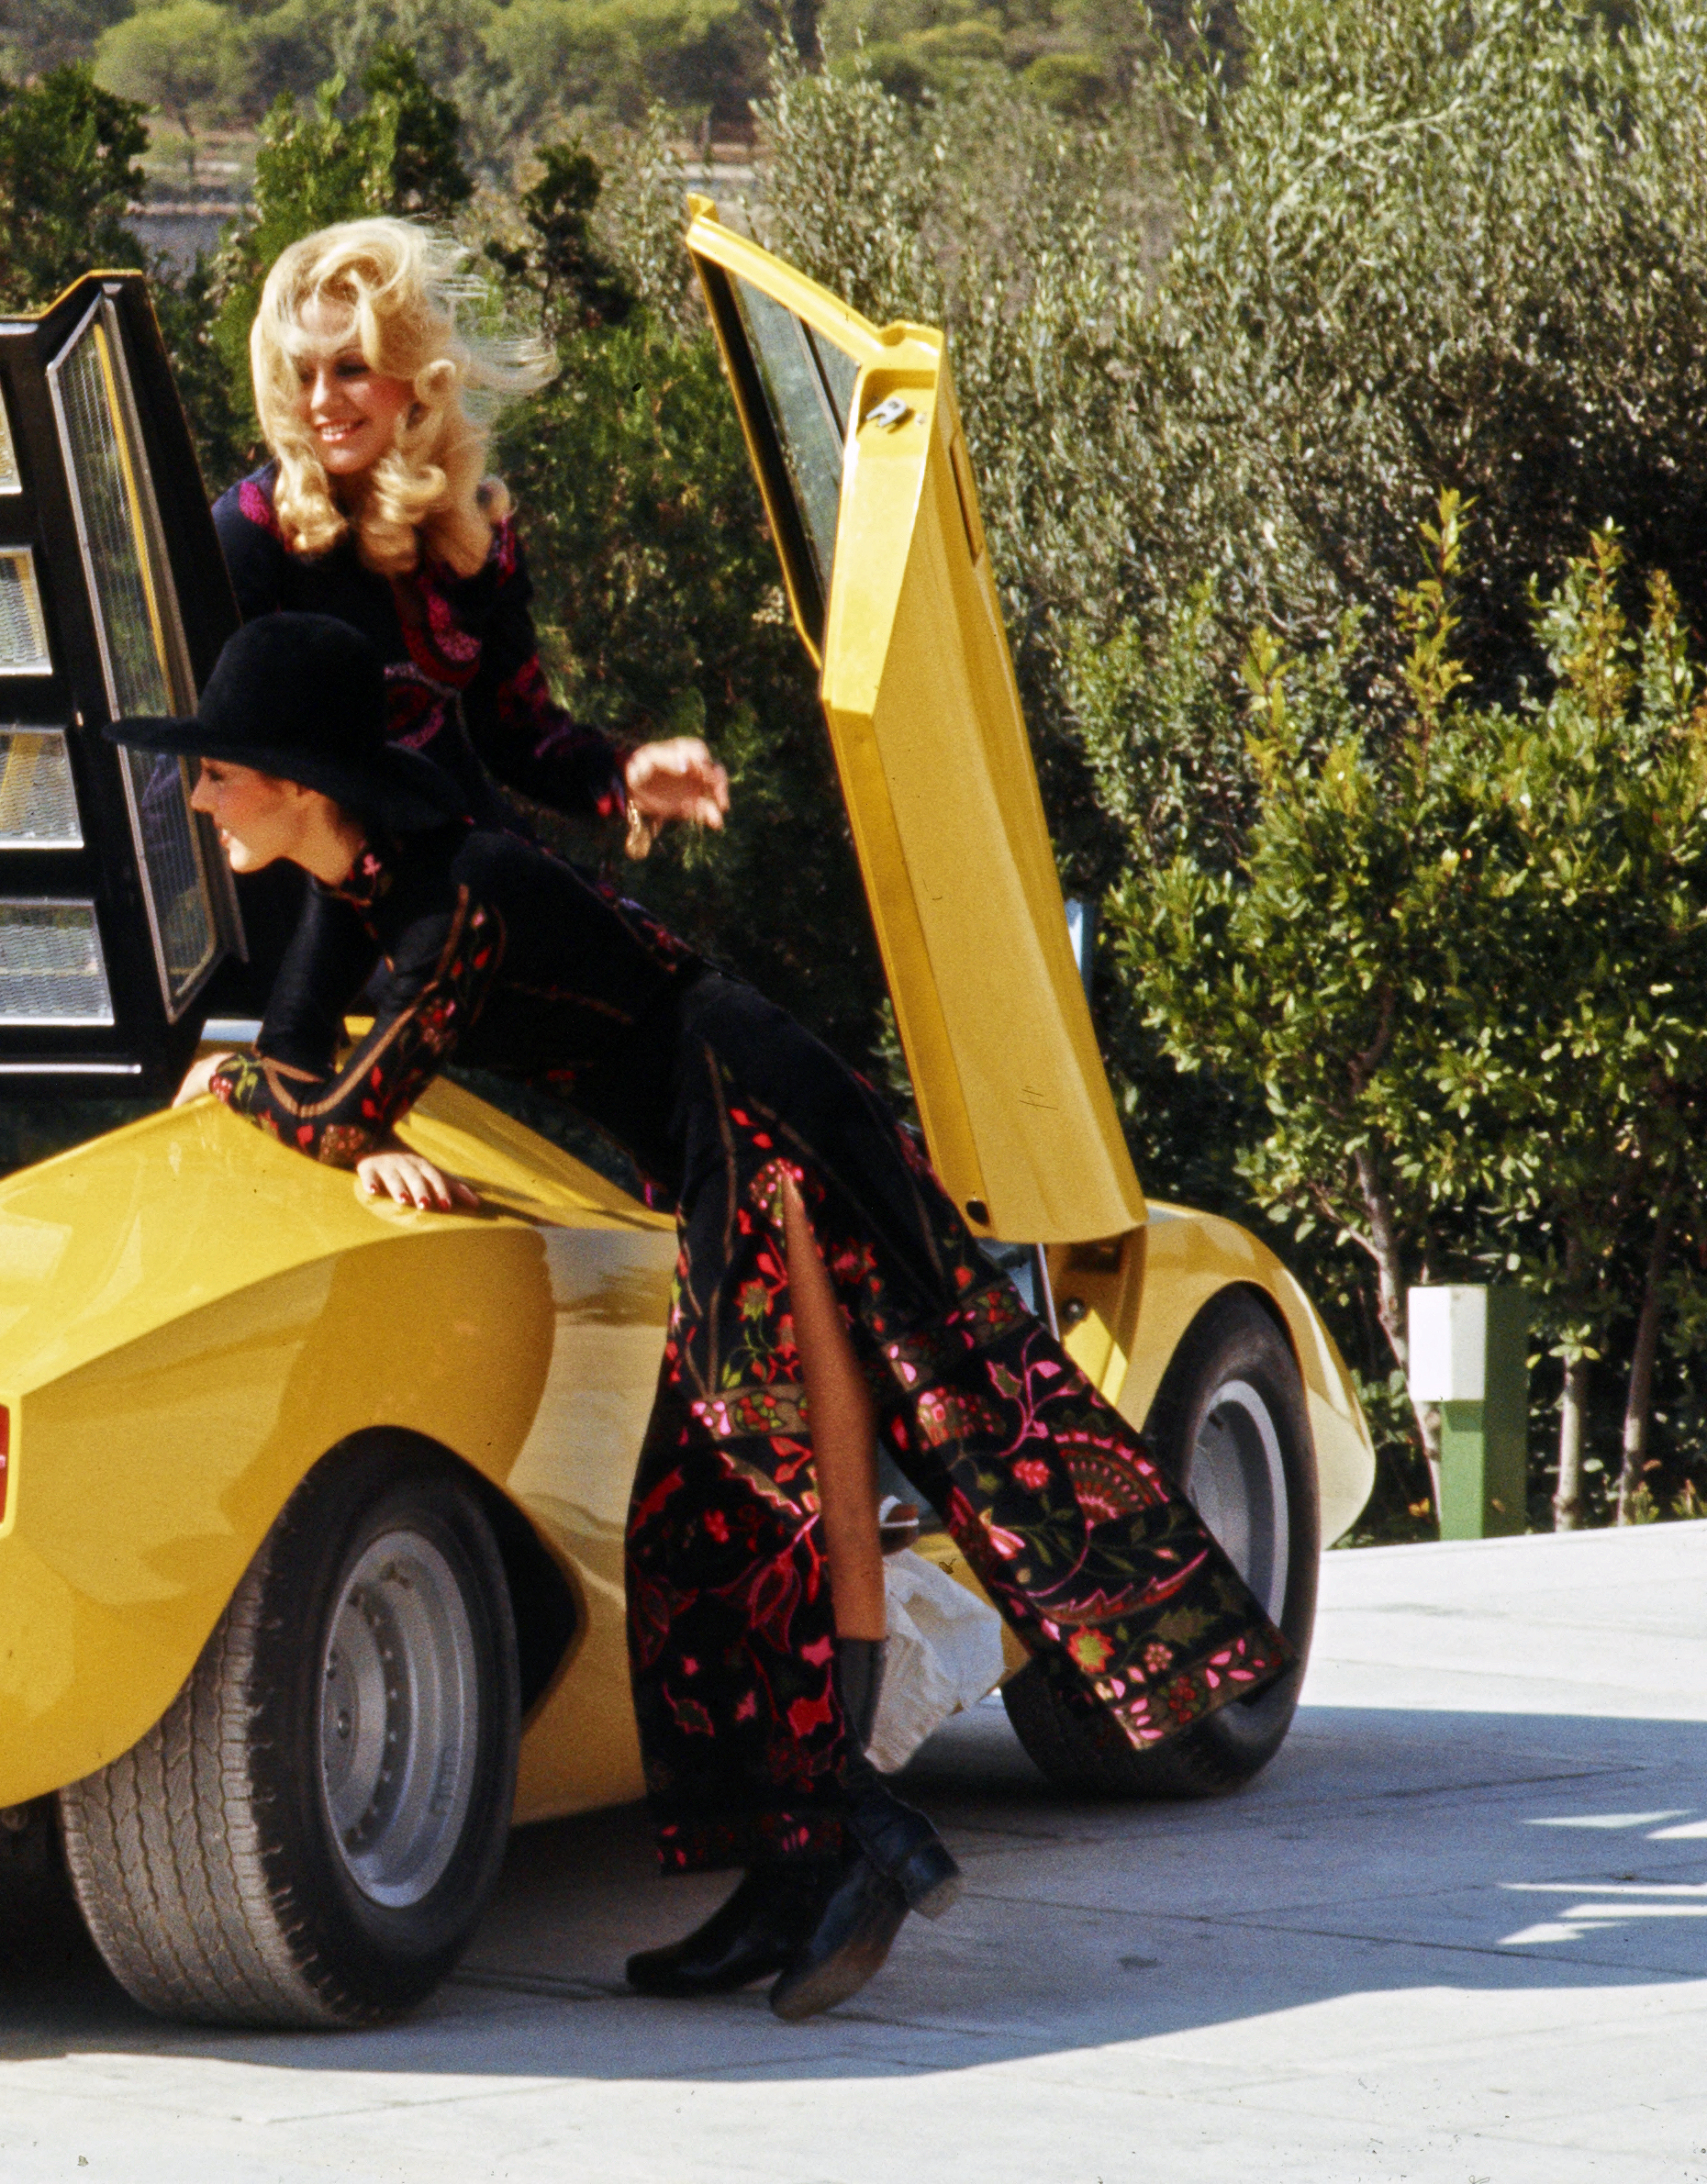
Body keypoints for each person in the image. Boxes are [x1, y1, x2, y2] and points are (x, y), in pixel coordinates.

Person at [114, 613, 1291, 2021]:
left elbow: (329, 1095)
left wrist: (249, 1092)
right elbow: (345, 1082)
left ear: (300, 782)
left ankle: (849, 1841)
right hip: (729, 1133)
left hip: (763, 1124)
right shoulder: (367, 884)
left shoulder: (450, 899)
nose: (196, 796)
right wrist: (339, 1117)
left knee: (749, 1484)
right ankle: (803, 1864)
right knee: (701, 1517)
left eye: (216, 773)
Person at [220, 215, 731, 852]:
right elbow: (202, 763)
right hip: (313, 892)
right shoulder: (249, 534)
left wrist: (625, 775)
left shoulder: (475, 525)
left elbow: (520, 734)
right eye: (301, 374)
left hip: (461, 857)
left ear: (415, 373)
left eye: (351, 367)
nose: (322, 400)